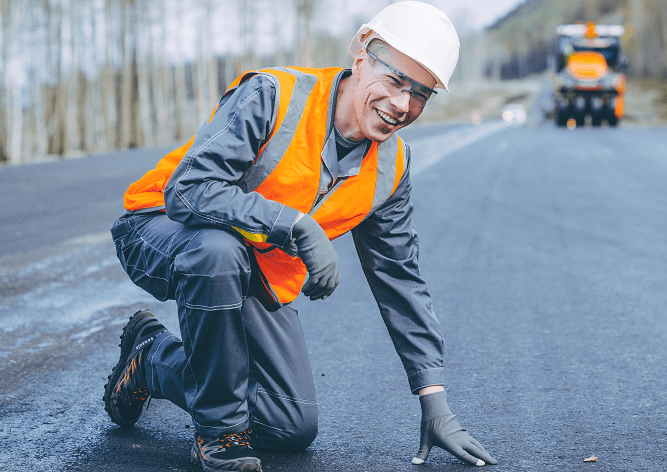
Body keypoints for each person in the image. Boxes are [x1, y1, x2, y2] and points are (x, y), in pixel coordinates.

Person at [102, 2, 497, 471]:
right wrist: (292, 223)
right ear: (362, 55)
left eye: (421, 95)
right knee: (218, 250)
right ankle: (220, 435)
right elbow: (188, 192)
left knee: (289, 424)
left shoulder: (391, 168)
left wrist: (433, 397)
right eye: (395, 81)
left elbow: (400, 279)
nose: (403, 106)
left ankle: (151, 358)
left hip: (252, 270)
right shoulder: (275, 95)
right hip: (159, 228)